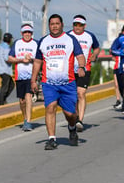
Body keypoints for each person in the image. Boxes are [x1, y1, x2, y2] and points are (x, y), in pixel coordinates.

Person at [31, 14, 86, 150]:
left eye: (57, 23)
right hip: (49, 83)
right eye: (52, 24)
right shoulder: (43, 41)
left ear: (62, 25)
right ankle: (51, 139)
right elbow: (38, 61)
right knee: (50, 107)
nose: (54, 26)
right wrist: (33, 80)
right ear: (49, 26)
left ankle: (72, 128)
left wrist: (81, 67)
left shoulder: (70, 39)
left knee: (70, 114)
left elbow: (80, 56)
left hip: (68, 83)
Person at [68, 15, 100, 132]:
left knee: (81, 93)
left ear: (84, 26)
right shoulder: (68, 36)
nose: (77, 27)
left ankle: (80, 120)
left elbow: (96, 48)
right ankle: (75, 116)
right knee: (73, 96)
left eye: (80, 25)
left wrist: (94, 55)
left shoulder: (90, 36)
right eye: (75, 24)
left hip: (85, 69)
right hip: (70, 70)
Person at [8, 24, 38, 131]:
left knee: (28, 97)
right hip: (19, 76)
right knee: (22, 101)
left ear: (32, 33)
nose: (27, 34)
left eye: (29, 32)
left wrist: (32, 60)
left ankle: (28, 122)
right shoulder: (17, 43)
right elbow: (10, 58)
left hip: (31, 75)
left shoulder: (36, 44)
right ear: (21, 33)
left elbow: (42, 60)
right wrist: (21, 60)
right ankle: (25, 118)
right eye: (25, 32)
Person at [0, 33, 15, 105]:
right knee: (5, 86)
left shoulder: (0, 46)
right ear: (9, 40)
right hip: (5, 69)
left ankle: (3, 99)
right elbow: (7, 59)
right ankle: (1, 102)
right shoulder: (6, 48)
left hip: (0, 68)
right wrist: (17, 60)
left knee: (10, 85)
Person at [112, 25, 124, 111]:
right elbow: (112, 50)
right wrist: (121, 52)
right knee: (120, 86)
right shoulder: (118, 40)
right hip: (118, 66)